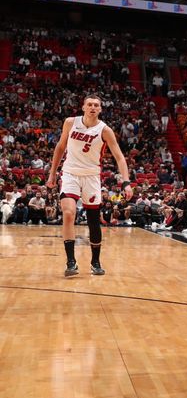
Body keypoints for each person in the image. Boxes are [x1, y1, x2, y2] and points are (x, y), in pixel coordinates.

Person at [46, 94, 133, 276]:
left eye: (96, 105)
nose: (93, 107)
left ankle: (95, 261)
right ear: (83, 107)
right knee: (69, 213)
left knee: (94, 221)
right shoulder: (70, 122)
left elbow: (119, 157)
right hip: (70, 173)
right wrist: (52, 173)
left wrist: (126, 182)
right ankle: (71, 262)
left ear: (100, 109)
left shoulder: (105, 130)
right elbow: (60, 148)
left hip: (92, 177)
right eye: (90, 104)